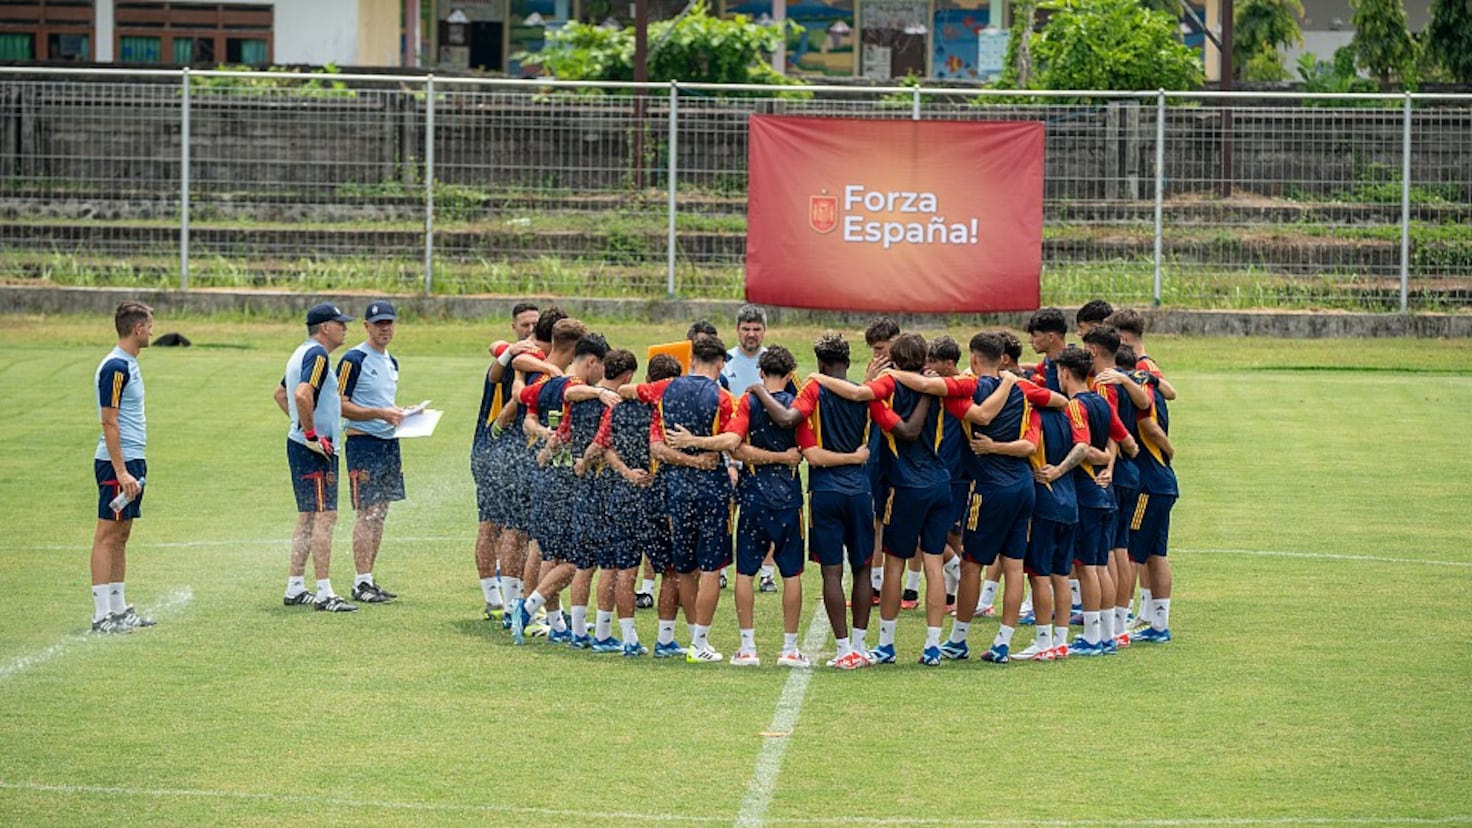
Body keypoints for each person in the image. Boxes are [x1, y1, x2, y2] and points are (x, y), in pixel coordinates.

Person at [807, 333, 951, 666]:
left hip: (905, 486)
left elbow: (860, 395)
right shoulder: (941, 387)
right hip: (940, 483)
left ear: (895, 361)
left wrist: (820, 378)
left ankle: (886, 644)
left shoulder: (887, 392)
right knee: (933, 563)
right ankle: (932, 645)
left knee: (894, 565)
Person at [670, 346, 808, 667]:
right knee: (792, 573)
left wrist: (695, 440)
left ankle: (747, 647)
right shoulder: (799, 406)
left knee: (745, 571)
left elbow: (735, 445)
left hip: (753, 495)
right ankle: (789, 648)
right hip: (788, 495)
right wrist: (782, 457)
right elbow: (801, 451)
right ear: (788, 376)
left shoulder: (749, 401)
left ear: (761, 372)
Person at [750, 333, 874, 668]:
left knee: (832, 573)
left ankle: (843, 648)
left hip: (826, 492)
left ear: (820, 364)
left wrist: (758, 390)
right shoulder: (865, 393)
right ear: (847, 362)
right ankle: (861, 646)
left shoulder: (815, 390)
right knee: (863, 569)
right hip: (861, 491)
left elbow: (789, 420)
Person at [624, 335, 735, 663]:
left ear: (691, 360)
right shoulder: (724, 397)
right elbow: (734, 441)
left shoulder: (665, 388)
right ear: (720, 363)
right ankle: (700, 642)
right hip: (712, 489)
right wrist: (701, 452)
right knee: (712, 566)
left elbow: (630, 392)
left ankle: (691, 638)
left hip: (676, 490)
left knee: (685, 566)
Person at [595, 353, 685, 657]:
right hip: (655, 498)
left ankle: (630, 639)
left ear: (647, 379)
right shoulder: (667, 409)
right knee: (670, 571)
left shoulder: (619, 409)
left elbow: (604, 447)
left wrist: (626, 473)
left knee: (625, 569)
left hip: (623, 495)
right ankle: (664, 639)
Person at [1055, 344, 1138, 656]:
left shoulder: (1076, 406)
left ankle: (1092, 637)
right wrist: (1109, 462)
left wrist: (1064, 465)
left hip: (1087, 493)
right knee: (1101, 566)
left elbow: (1083, 446)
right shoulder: (1102, 402)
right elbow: (1122, 440)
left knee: (1088, 567)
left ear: (1065, 372)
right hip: (1106, 494)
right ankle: (1106, 634)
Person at [274, 302, 357, 613]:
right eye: (340, 324)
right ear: (325, 328)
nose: (345, 328)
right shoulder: (319, 355)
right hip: (316, 450)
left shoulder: (300, 352)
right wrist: (311, 435)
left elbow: (280, 394)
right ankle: (325, 592)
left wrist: (299, 427)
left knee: (309, 516)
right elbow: (300, 395)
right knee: (325, 516)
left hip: (301, 445)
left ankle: (295, 586)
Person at [89, 301, 156, 634]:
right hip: (118, 463)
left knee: (122, 533)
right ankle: (101, 615)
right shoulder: (116, 367)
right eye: (150, 325)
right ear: (137, 329)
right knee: (107, 535)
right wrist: (121, 472)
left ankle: (118, 607)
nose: (153, 331)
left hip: (133, 459)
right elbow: (108, 421)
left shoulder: (129, 363)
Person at [337, 300, 407, 604]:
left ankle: (367, 578)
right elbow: (340, 403)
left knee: (381, 512)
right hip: (364, 444)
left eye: (389, 323)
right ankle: (360, 581)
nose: (385, 329)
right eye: (379, 324)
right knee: (367, 513)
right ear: (366, 326)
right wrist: (380, 413)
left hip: (389, 443)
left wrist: (400, 414)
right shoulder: (353, 359)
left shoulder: (391, 362)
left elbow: (382, 403)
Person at [721, 303, 781, 594]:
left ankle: (767, 573)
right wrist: (728, 458)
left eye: (757, 329)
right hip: (730, 450)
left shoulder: (774, 361)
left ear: (764, 330)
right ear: (737, 330)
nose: (751, 334)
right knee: (726, 511)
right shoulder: (726, 362)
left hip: (765, 451)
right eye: (746, 329)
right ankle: (721, 569)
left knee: (766, 515)